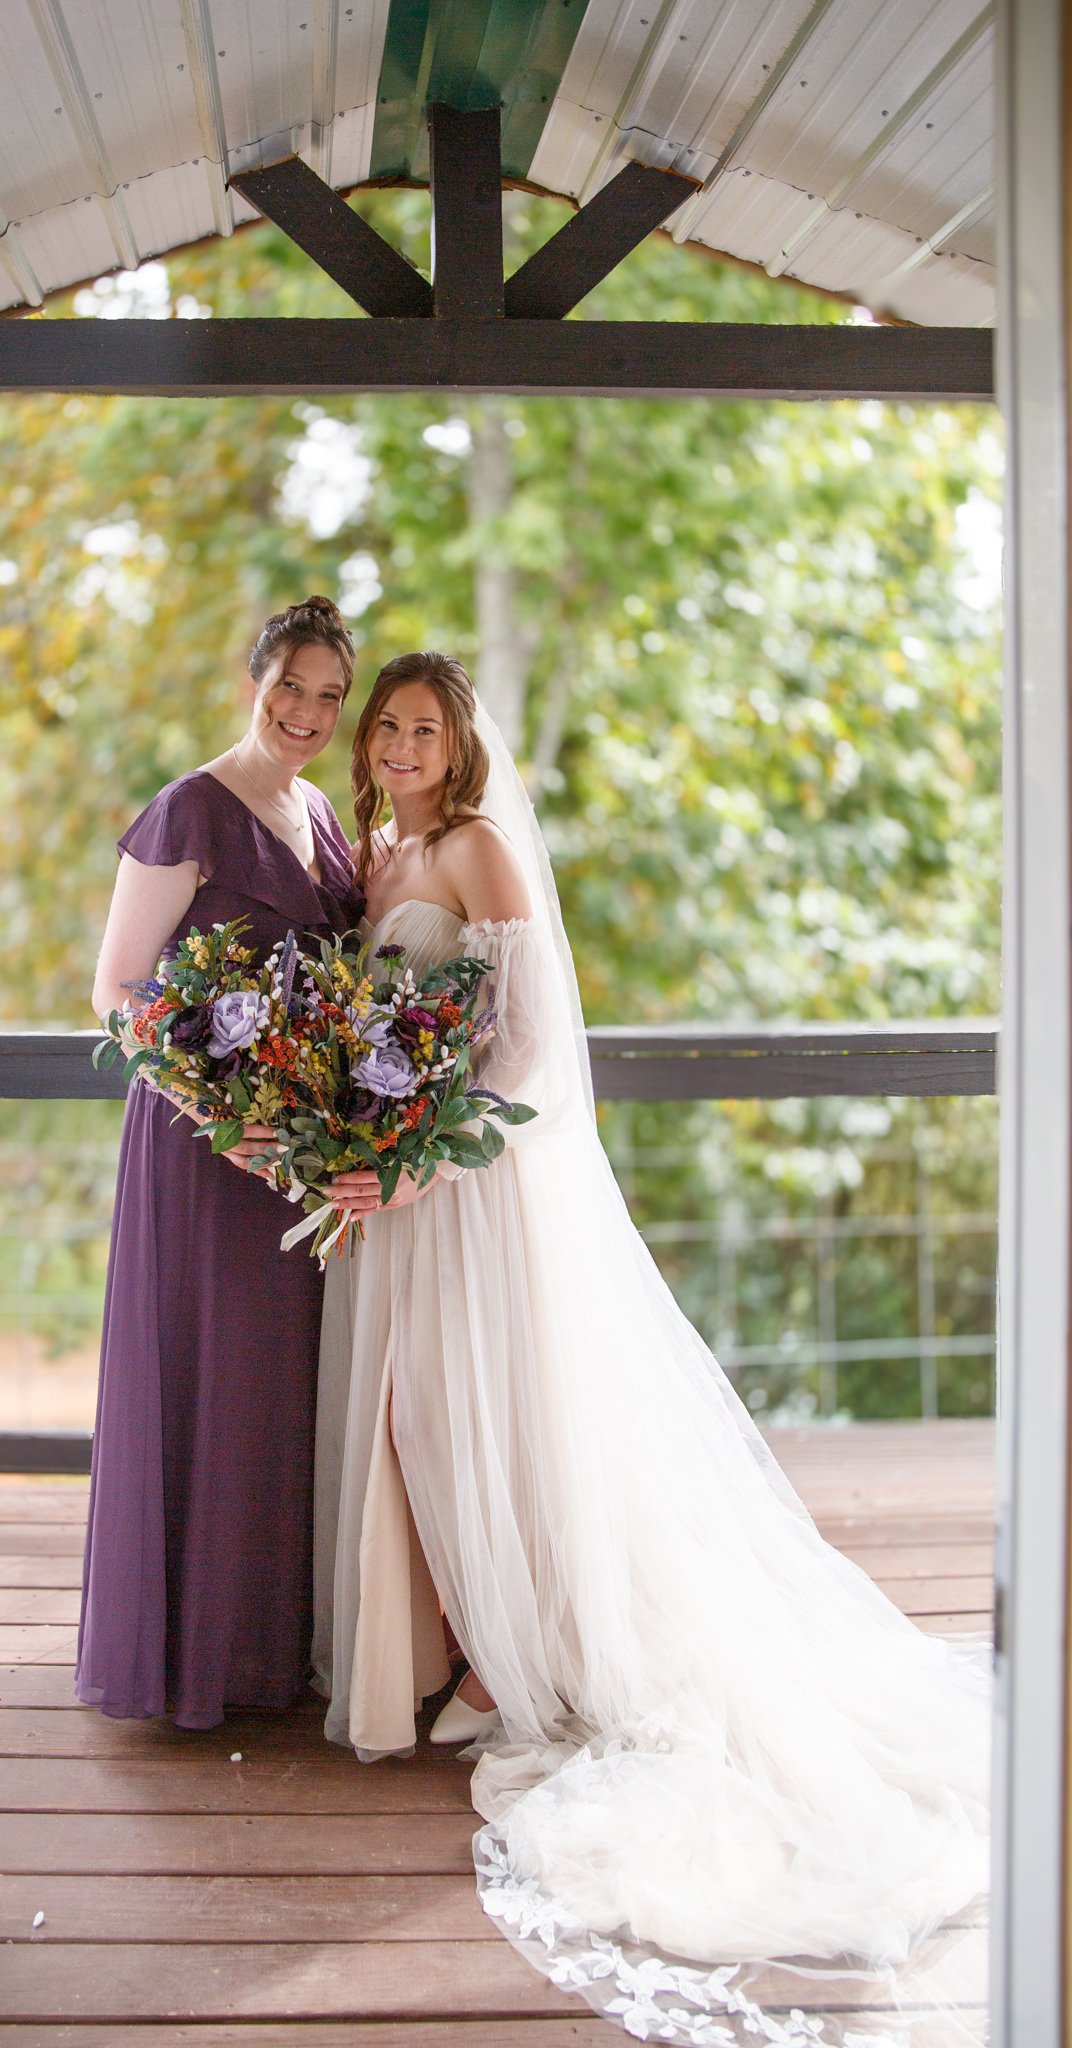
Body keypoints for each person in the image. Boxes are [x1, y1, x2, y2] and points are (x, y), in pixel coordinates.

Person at [313, 652, 988, 2042]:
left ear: (460, 744)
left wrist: (426, 1155)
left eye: (422, 727)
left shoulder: (482, 848)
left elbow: (529, 1048)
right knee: (422, 1419)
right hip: (398, 1197)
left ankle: (514, 1662)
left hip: (475, 1192)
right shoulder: (379, 855)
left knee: (491, 1415)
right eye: (385, 726)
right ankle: (470, 1641)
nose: (398, 744)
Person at [77, 597, 364, 1728]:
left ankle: (262, 1649)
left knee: (276, 1384)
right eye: (290, 685)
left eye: (329, 697)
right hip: (205, 1143)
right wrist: (213, 1106)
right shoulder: (189, 807)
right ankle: (189, 1660)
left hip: (296, 1147)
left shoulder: (322, 813)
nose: (306, 712)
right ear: (255, 682)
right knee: (209, 1370)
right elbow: (115, 989)